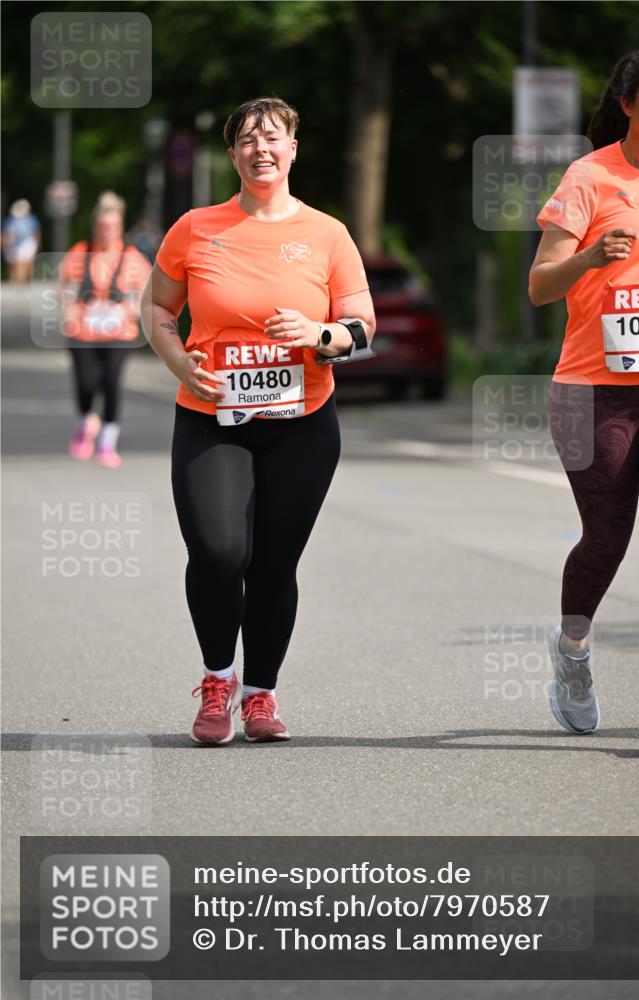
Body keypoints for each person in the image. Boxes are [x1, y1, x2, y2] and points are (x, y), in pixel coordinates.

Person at [141, 97, 375, 744]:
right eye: (247, 139)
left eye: (272, 137)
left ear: (293, 149)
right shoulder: (195, 227)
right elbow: (157, 310)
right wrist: (178, 362)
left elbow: (361, 326)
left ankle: (261, 696)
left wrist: (320, 333)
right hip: (211, 418)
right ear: (232, 155)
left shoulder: (328, 234)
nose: (260, 149)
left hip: (303, 423)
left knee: (273, 564)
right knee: (219, 551)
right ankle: (218, 680)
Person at [529, 41, 639, 751]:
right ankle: (573, 650)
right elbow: (539, 284)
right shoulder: (589, 176)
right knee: (607, 538)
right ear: (628, 102)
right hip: (593, 388)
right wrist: (587, 257)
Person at [60, 192, 152, 467]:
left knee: (112, 381)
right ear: (95, 227)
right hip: (83, 332)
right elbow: (64, 287)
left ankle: (108, 441)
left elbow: (148, 294)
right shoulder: (80, 252)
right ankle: (85, 423)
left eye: (112, 226)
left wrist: (131, 308)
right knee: (86, 383)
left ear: (120, 227)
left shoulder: (132, 258)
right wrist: (68, 307)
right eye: (102, 226)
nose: (107, 231)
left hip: (118, 333)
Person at [2, 199, 40, 282]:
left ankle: (20, 281)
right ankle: (16, 281)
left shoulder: (31, 220)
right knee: (14, 265)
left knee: (23, 263)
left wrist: (37, 243)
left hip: (26, 244)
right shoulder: (10, 221)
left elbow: (36, 233)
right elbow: (6, 234)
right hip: (13, 245)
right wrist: (5, 244)